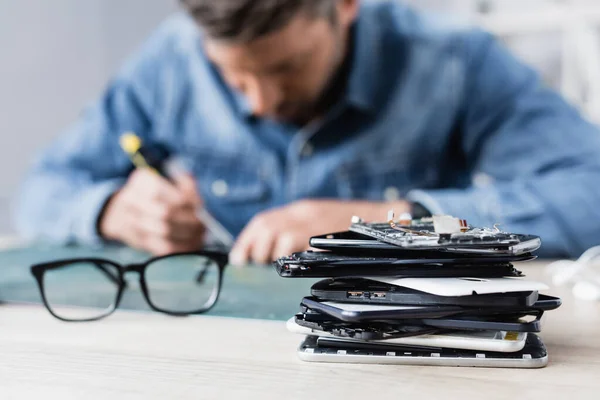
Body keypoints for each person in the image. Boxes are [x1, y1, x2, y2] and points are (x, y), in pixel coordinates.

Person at [15, 0, 600, 263]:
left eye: (284, 69)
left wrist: (391, 219)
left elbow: (589, 193)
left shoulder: (452, 62)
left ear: (345, 5)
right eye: (232, 78)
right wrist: (109, 209)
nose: (263, 102)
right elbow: (40, 191)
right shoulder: (170, 63)